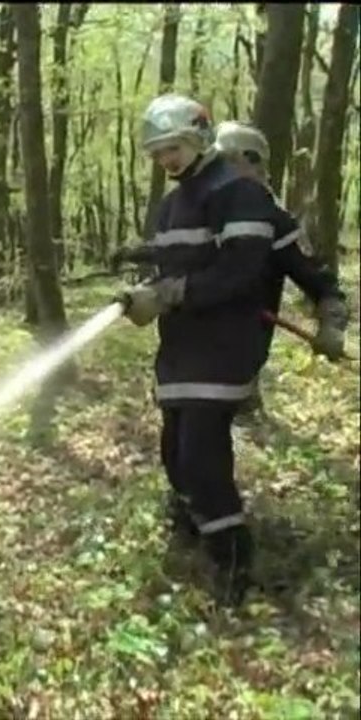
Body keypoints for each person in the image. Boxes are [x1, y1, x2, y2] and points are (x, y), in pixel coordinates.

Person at [116, 94, 280, 607]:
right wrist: (144, 281)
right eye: (158, 151)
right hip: (180, 353)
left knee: (202, 460)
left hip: (224, 349)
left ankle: (233, 561)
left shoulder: (238, 193)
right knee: (174, 456)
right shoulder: (173, 204)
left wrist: (169, 294)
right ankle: (201, 529)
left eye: (174, 147)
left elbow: (241, 271)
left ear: (201, 136)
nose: (166, 159)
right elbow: (177, 263)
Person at [213, 120, 349, 417]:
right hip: (192, 357)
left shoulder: (275, 220)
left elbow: (321, 283)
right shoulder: (204, 210)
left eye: (227, 163)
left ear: (251, 162)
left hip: (241, 360)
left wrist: (331, 324)